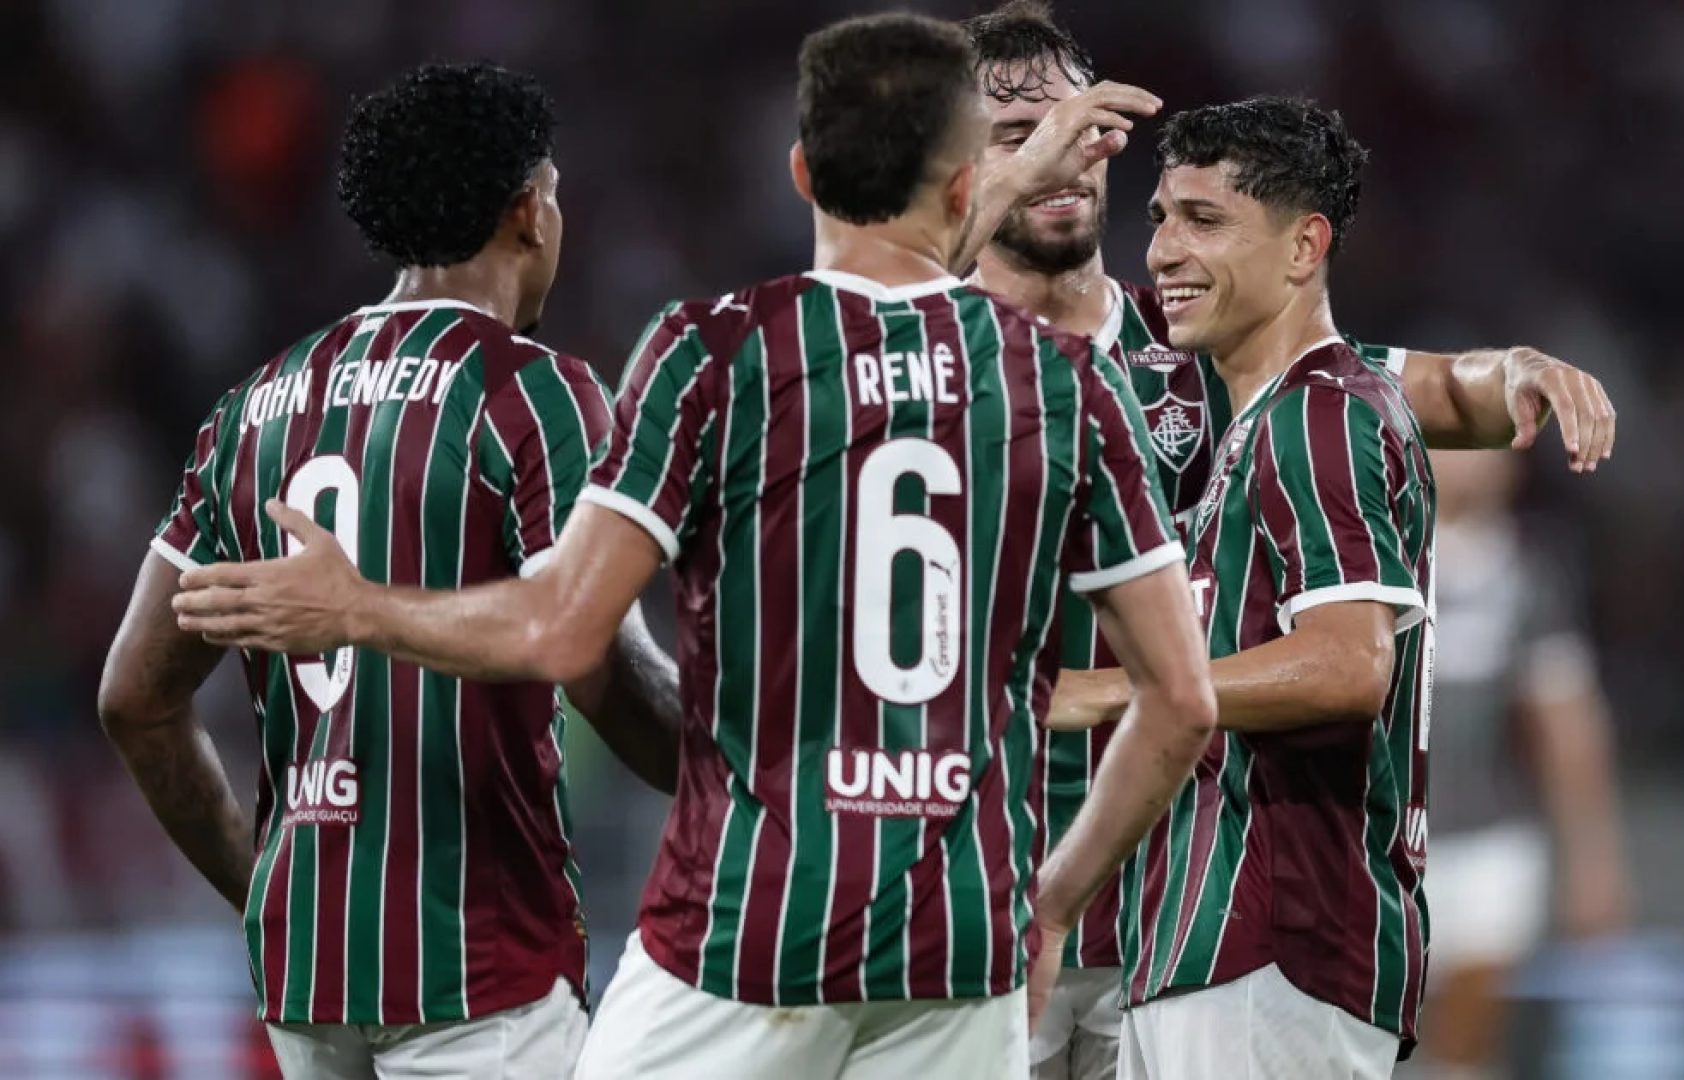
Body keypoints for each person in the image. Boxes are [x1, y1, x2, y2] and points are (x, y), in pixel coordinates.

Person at [170, 14, 1217, 1080]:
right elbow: (1181, 701)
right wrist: (1050, 906)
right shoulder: (1065, 383)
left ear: (800, 172)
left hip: (746, 915)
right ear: (962, 190)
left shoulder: (717, 351)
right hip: (959, 932)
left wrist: (357, 606)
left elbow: (562, 629)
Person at [953, 5, 1617, 1078]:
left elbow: (1402, 387)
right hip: (975, 900)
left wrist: (1516, 370)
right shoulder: (907, 363)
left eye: (1081, 128)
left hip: (1164, 910)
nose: (1061, 157)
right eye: (1019, 135)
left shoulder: (1194, 347)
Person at [97, 62, 678, 1079]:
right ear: (527, 212)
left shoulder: (253, 409)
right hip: (477, 972)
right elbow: (598, 662)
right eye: (554, 192)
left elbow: (134, 698)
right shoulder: (531, 392)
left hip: (309, 982)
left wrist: (263, 889)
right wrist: (744, 773)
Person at [1049, 96, 1432, 1079]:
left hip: (1273, 939)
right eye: (1160, 219)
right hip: (1206, 942)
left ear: (1305, 246)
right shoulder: (1261, 425)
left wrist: (1109, 691)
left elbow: (1349, 665)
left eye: (1205, 220)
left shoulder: (1318, 415)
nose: (1164, 252)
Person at [1412, 453, 1631, 1080]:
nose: (1469, 461)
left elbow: (1567, 723)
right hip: (1380, 841)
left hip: (1490, 840)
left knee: (1466, 1039)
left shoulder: (1529, 575)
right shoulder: (1375, 559)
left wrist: (1594, 859)